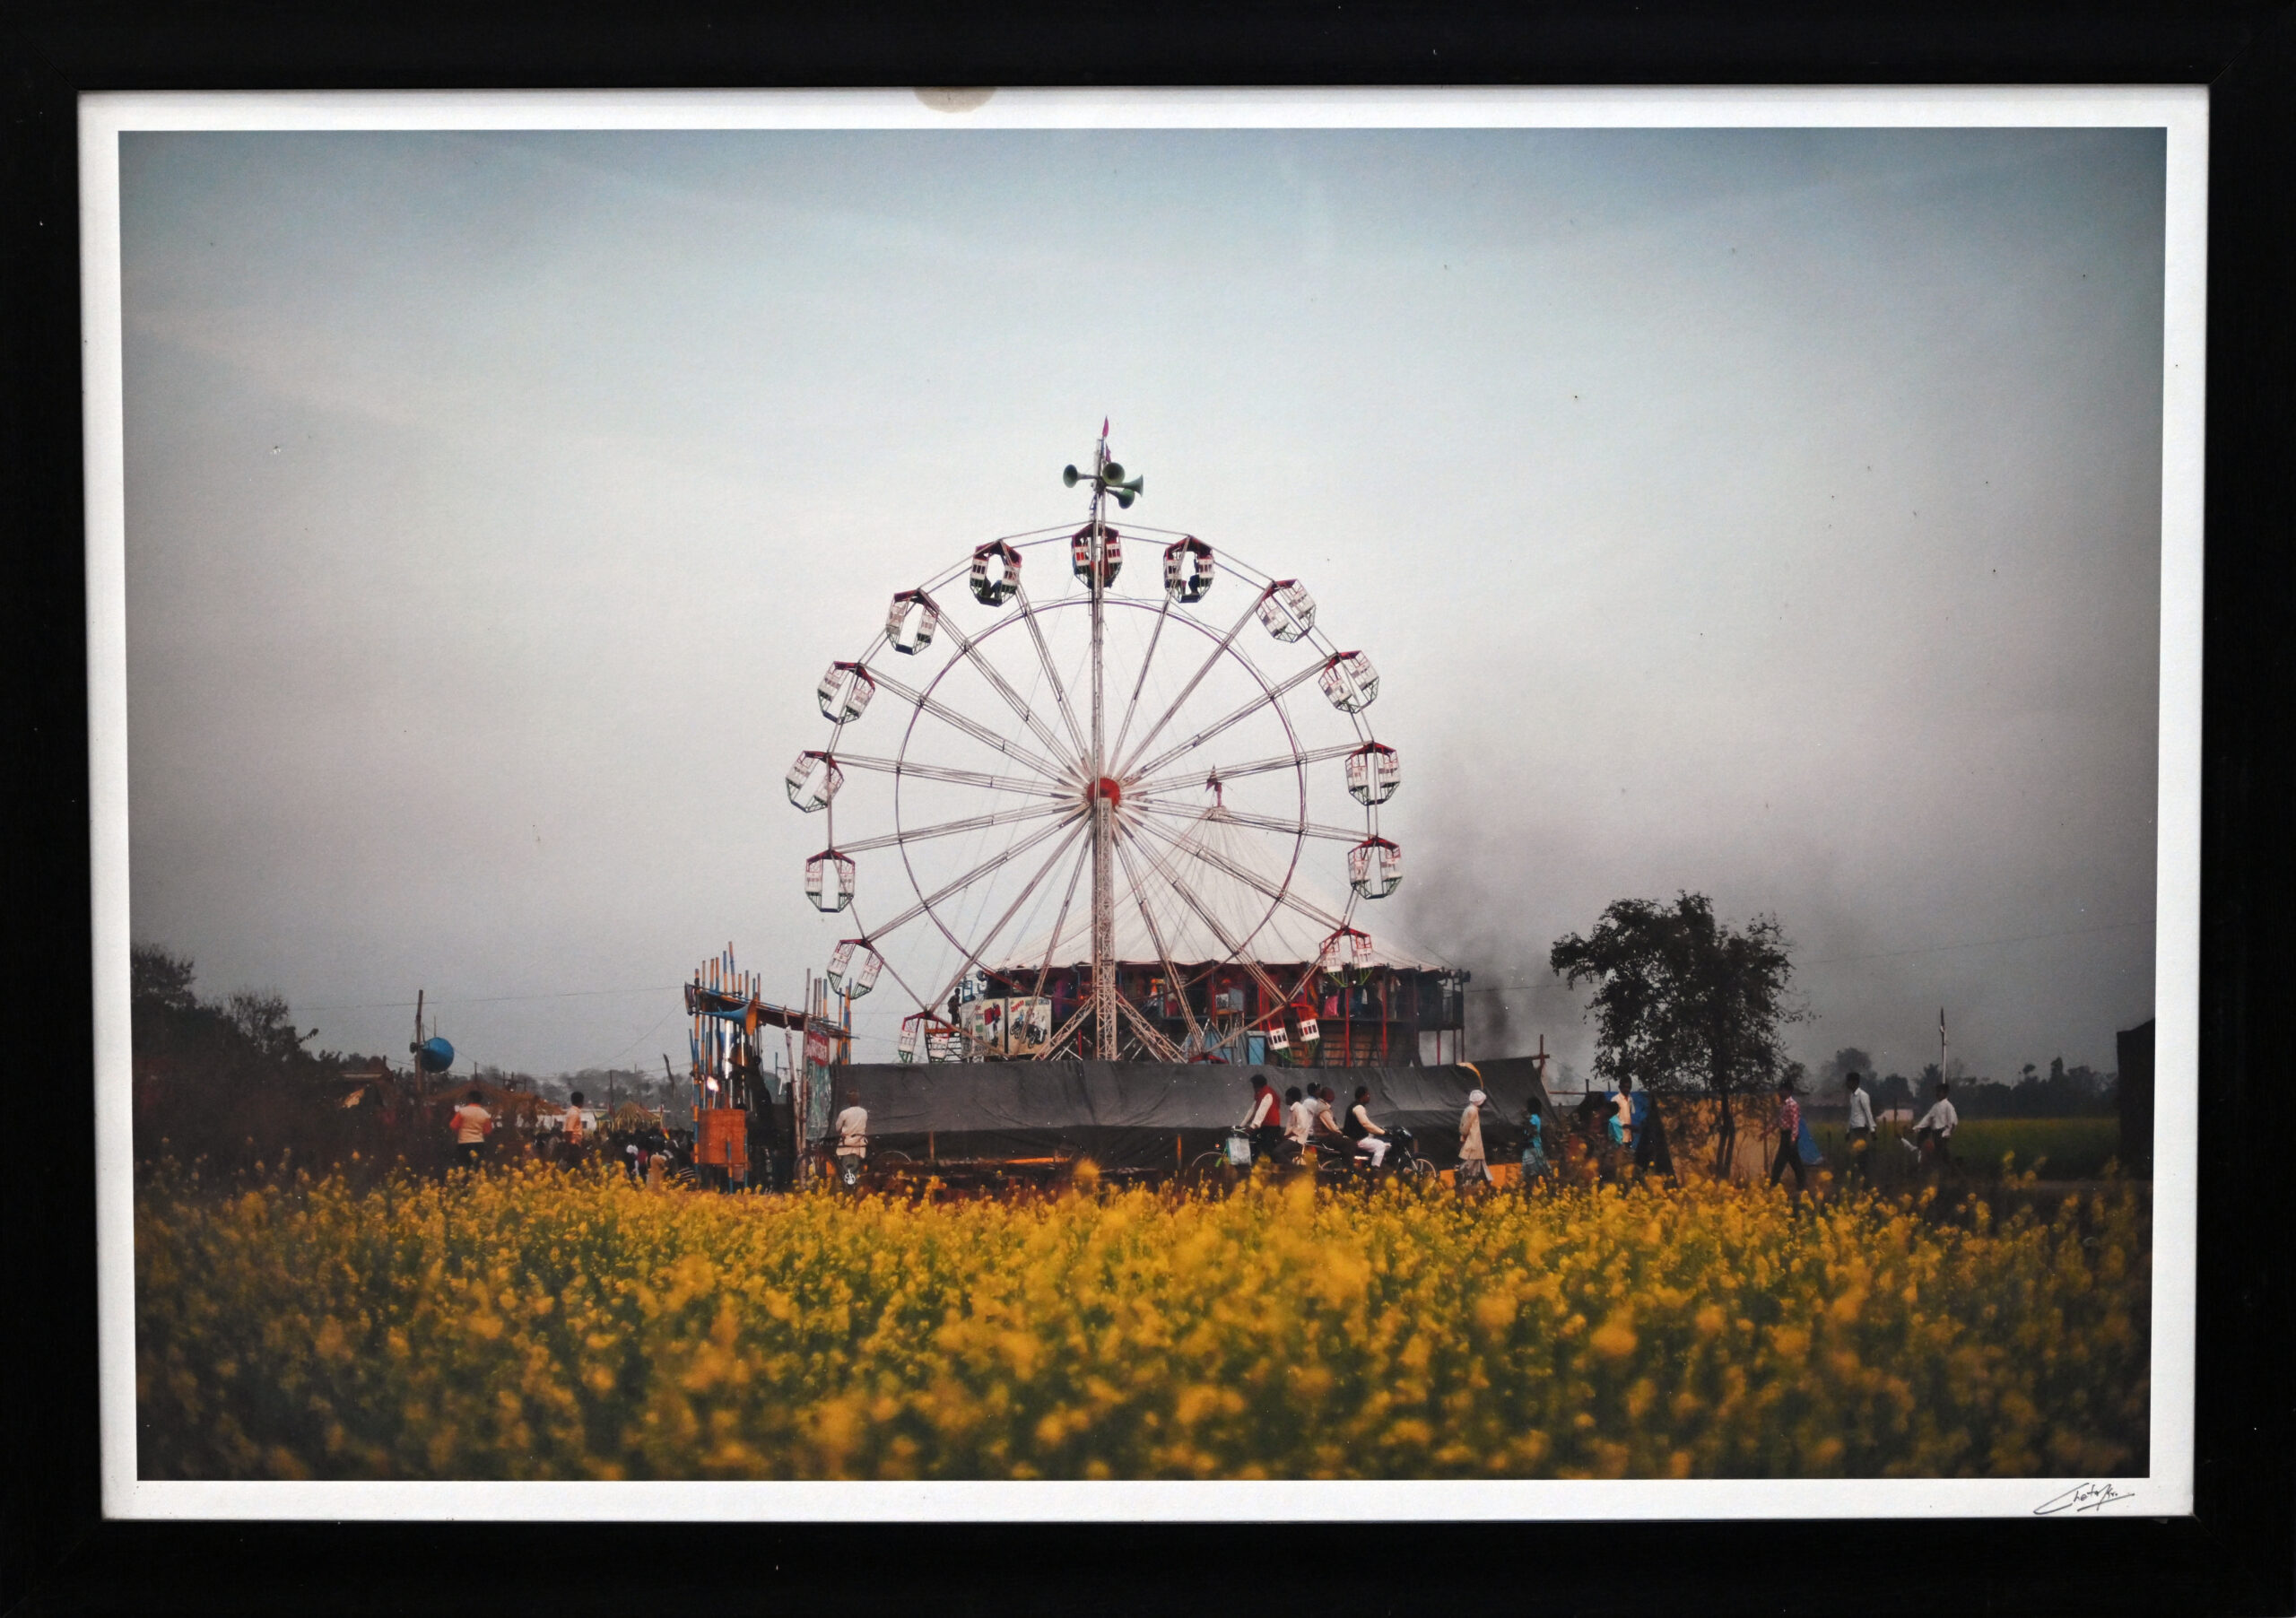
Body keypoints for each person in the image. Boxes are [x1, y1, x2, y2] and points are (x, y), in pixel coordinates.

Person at [1767, 1075, 1806, 1211]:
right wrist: (1767, 1131)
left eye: (1782, 1090)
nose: (1780, 1092)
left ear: (1788, 1091)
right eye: (1779, 1090)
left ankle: (1774, 1185)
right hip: (1785, 1135)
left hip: (1789, 1136)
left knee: (1780, 1162)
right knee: (1795, 1162)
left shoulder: (1792, 1105)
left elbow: (1795, 1123)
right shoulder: (1783, 1105)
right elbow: (1779, 1121)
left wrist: (1793, 1139)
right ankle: (1801, 1186)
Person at [1913, 1079, 1959, 1183]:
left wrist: (1947, 1133)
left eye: (1940, 1092)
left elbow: (1953, 1122)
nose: (1937, 1094)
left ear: (1945, 1093)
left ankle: (1944, 1177)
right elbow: (1927, 1119)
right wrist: (1916, 1128)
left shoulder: (1948, 1106)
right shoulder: (1935, 1106)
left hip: (1942, 1134)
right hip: (1936, 1134)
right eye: (1937, 1092)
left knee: (1940, 1157)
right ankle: (1948, 1174)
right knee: (1942, 1157)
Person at [1842, 1072, 1876, 1187]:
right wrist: (1848, 1131)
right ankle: (1856, 1180)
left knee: (1862, 1156)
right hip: (1854, 1130)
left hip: (1861, 1129)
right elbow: (1852, 1115)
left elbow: (1868, 1112)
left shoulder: (1863, 1095)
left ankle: (1865, 1181)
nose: (1847, 1084)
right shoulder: (1852, 1097)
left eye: (1848, 1081)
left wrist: (1872, 1130)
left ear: (1854, 1082)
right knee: (1854, 1156)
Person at [1239, 1074, 1283, 1162]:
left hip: (1272, 1127)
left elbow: (1261, 1112)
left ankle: (1273, 1166)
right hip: (1264, 1126)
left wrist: (1252, 1126)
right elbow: (1252, 1110)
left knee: (1266, 1148)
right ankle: (1253, 1162)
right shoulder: (1260, 1094)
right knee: (1252, 1140)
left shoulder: (1268, 1094)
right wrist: (1242, 1125)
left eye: (1253, 1085)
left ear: (1257, 1085)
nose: (1253, 1087)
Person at [1346, 1085, 1389, 1169]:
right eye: (1368, 1095)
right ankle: (1375, 1168)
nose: (1369, 1097)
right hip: (1357, 1139)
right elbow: (1366, 1124)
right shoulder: (1358, 1108)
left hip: (1355, 1136)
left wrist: (1378, 1130)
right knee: (1380, 1145)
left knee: (1374, 1138)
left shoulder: (1354, 1106)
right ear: (1362, 1096)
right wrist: (1383, 1132)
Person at [448, 1089, 492, 1170]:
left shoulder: (462, 1112)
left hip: (464, 1143)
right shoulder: (485, 1114)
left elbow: (453, 1126)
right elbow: (488, 1131)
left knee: (463, 1168)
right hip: (479, 1143)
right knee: (477, 1168)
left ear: (469, 1099)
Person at [1457, 1087, 1489, 1192]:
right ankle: (1464, 1185)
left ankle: (1469, 1188)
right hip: (1472, 1143)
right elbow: (1465, 1128)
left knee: (1473, 1169)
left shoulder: (1469, 1109)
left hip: (1471, 1143)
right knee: (1469, 1167)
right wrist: (1464, 1136)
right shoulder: (1473, 1110)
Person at [832, 1097, 869, 1185]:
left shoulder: (844, 1113)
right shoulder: (864, 1112)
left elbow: (837, 1128)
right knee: (856, 1168)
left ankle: (848, 1187)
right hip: (859, 1143)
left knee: (847, 1168)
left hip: (847, 1143)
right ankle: (854, 1185)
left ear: (848, 1101)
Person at [1519, 1106, 1552, 1188]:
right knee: (1529, 1168)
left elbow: (1534, 1132)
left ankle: (1549, 1183)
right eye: (1523, 1115)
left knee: (1542, 1165)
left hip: (1535, 1146)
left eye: (1525, 1113)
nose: (1525, 1116)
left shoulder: (1534, 1119)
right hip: (1529, 1147)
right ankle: (1532, 1185)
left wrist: (1529, 1132)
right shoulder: (1527, 1123)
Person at [561, 1090, 588, 1164]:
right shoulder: (574, 1113)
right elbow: (569, 1130)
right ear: (581, 1102)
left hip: (574, 1144)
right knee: (574, 1166)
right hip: (573, 1145)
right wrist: (570, 1146)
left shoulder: (572, 1111)